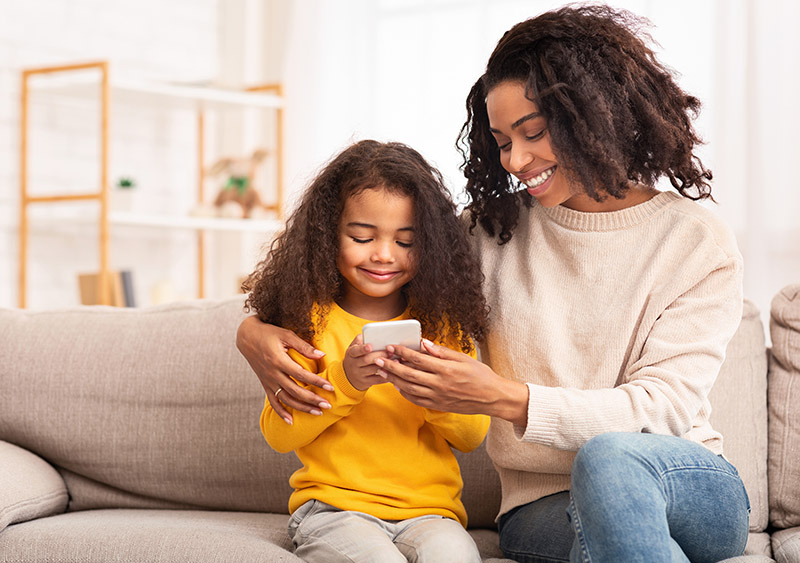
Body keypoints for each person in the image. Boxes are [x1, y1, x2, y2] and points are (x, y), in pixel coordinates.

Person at [237, 5, 750, 562]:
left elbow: (664, 410)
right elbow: (365, 281)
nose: (517, 160)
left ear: (595, 115)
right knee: (611, 538)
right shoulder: (486, 233)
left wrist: (505, 398)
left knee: (609, 462)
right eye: (503, 141)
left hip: (684, 485)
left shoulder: (694, 239)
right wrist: (251, 331)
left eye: (533, 132)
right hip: (543, 507)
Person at [241, 139, 490, 563]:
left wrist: (427, 390)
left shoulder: (442, 325)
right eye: (361, 236)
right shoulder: (308, 323)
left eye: (406, 241)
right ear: (326, 235)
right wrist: (346, 381)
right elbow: (279, 434)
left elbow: (472, 436)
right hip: (334, 510)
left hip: (431, 515)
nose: (383, 255)